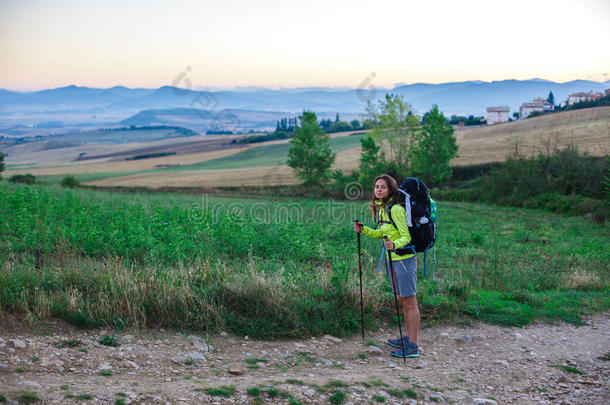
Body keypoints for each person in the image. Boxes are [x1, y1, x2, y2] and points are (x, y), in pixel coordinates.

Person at [354, 174, 420, 358]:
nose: (379, 190)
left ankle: (413, 346)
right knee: (403, 300)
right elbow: (381, 233)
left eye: (383, 187)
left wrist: (395, 245)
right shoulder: (383, 209)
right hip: (393, 260)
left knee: (410, 301)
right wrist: (364, 229)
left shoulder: (396, 209)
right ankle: (408, 338)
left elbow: (406, 237)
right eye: (376, 187)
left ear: (391, 189)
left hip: (404, 259)